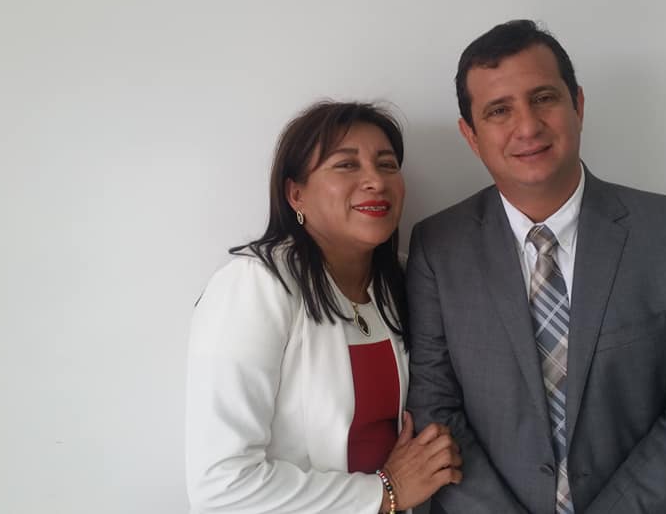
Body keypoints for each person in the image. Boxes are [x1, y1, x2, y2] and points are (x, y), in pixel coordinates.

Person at [406, 20, 666, 514]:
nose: (528, 126)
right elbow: (435, 414)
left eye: (543, 98)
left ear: (578, 106)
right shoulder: (437, 249)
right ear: (471, 136)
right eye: (499, 110)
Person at [186, 101, 462, 513]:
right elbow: (221, 488)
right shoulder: (256, 285)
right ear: (296, 194)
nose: (376, 181)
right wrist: (385, 493)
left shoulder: (407, 279)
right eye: (346, 165)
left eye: (387, 164)